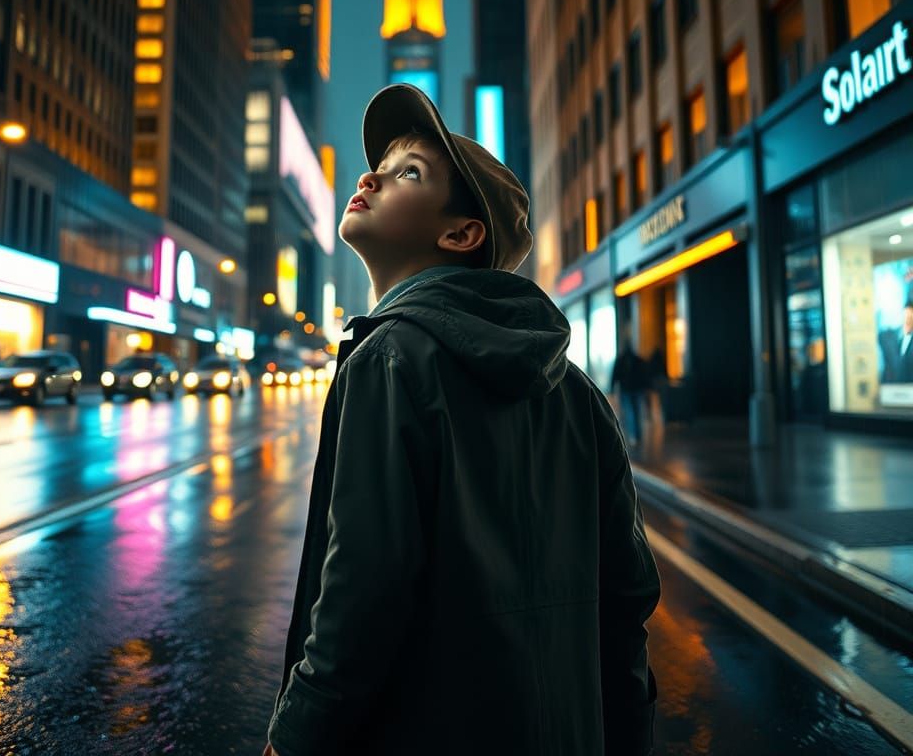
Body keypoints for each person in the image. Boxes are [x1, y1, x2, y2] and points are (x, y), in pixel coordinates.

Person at [265, 84, 660, 756]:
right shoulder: (583, 397)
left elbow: (361, 594)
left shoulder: (391, 358)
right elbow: (625, 602)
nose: (370, 177)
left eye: (407, 172)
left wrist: (296, 735)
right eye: (381, 167)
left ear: (461, 233)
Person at [609, 336, 648, 445]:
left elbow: (615, 375)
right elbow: (643, 375)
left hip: (625, 390)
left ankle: (633, 435)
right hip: (636, 390)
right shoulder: (637, 359)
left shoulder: (620, 360)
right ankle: (637, 434)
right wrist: (645, 387)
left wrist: (612, 389)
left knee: (629, 412)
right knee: (636, 411)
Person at [879, 301, 913, 384]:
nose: (907, 321)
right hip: (890, 388)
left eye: (911, 318)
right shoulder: (887, 336)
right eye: (906, 317)